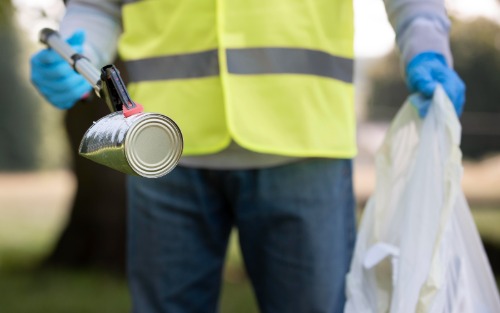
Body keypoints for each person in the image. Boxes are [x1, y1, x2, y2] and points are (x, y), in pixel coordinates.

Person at [30, 0, 465, 312]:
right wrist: (74, 48)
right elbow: (98, 5)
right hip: (162, 149)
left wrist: (426, 44)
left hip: (303, 142)